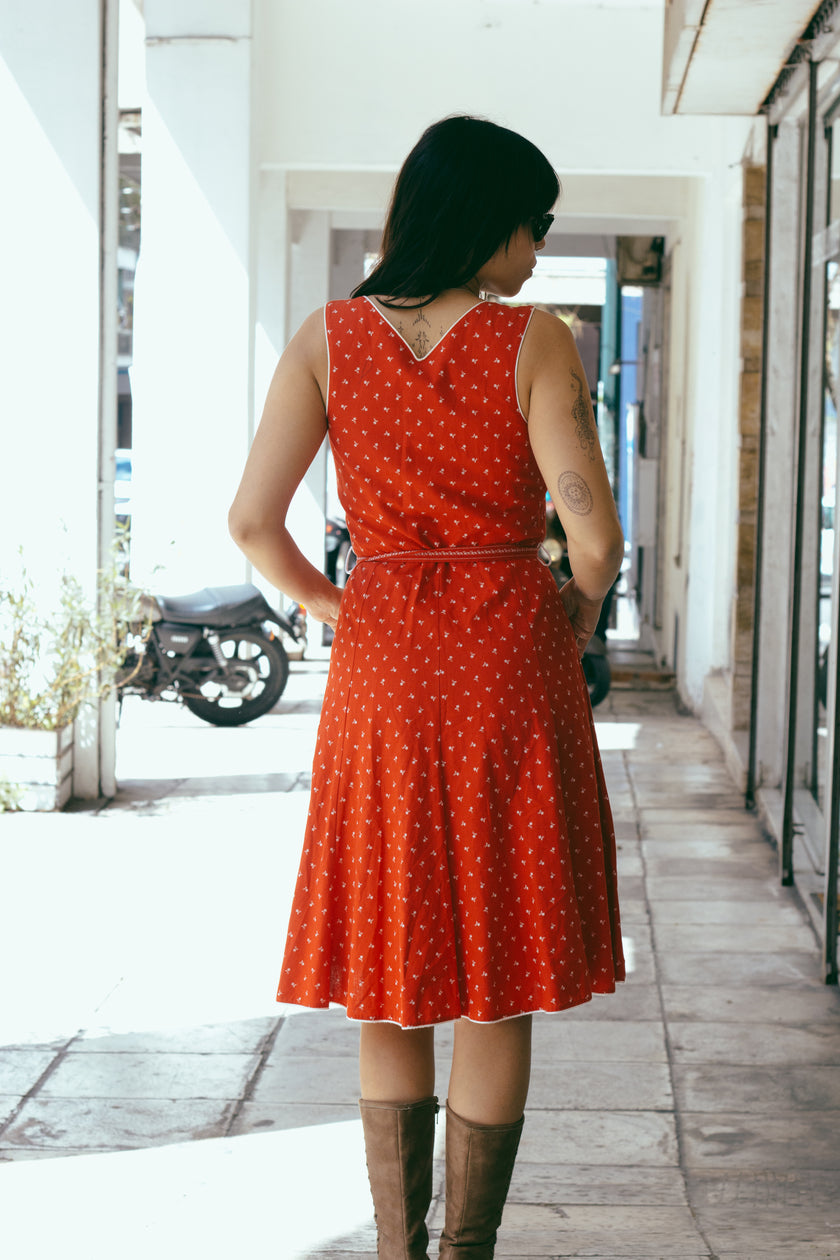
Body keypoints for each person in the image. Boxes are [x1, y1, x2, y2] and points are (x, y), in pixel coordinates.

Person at [229, 115, 625, 1260]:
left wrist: (346, 608)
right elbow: (591, 541)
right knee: (496, 970)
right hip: (509, 656)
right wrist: (577, 607)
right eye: (531, 224)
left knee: (393, 967)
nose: (537, 252)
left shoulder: (326, 339)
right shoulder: (534, 339)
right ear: (485, 217)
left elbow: (254, 522)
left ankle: (397, 1250)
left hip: (384, 666)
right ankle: (466, 1252)